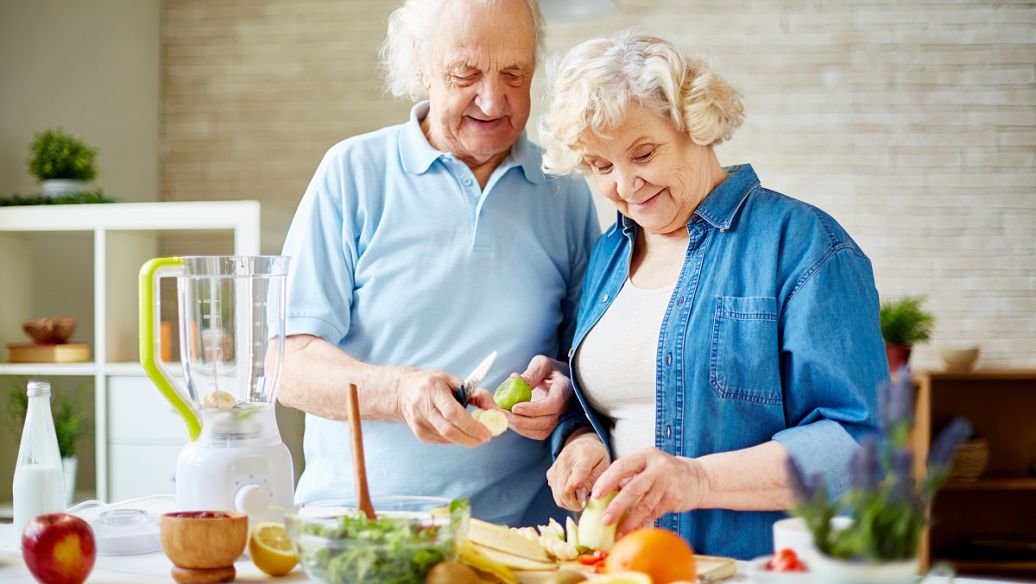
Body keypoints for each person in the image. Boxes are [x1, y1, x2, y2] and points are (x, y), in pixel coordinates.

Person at [536, 31, 885, 559]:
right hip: (625, 566)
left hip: (753, 568)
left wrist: (696, 480)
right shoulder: (610, 252)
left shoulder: (802, 245)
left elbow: (861, 447)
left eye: (643, 153)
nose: (626, 187)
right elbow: (615, 404)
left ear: (695, 123)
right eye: (602, 167)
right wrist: (582, 440)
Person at [276, 0, 599, 527]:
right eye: (465, 73)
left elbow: (586, 352)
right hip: (364, 530)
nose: (494, 101)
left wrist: (564, 389)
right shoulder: (352, 174)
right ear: (420, 65)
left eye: (514, 74)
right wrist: (400, 392)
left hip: (520, 536)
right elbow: (287, 364)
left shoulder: (564, 190)